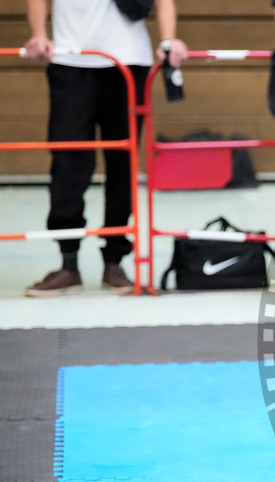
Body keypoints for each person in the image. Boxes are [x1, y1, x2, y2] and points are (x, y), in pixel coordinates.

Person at [22, 0, 188, 297]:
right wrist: (38, 33)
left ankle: (115, 261)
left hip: (128, 64)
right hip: (70, 61)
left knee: (122, 166)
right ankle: (68, 263)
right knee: (67, 166)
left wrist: (168, 39)